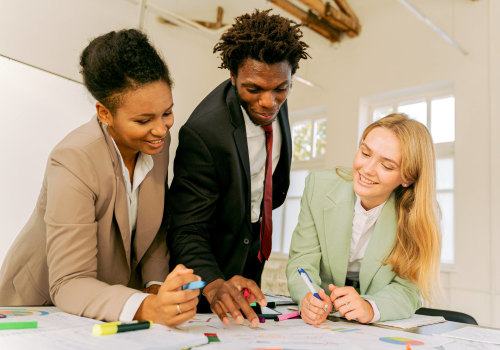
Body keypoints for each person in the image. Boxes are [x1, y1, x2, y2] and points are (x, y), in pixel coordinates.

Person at [0, 29, 200, 326]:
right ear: (104, 113)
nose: (161, 129)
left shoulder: (157, 143)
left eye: (167, 113)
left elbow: (153, 229)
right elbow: (69, 282)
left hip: (110, 303)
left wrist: (158, 289)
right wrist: (148, 306)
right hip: (41, 308)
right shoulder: (72, 159)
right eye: (143, 120)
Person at [167, 9, 309, 327]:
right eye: (254, 89)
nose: (269, 102)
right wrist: (214, 284)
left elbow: (270, 183)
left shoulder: (274, 97)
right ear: (233, 77)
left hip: (252, 263)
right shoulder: (204, 133)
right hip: (210, 275)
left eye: (281, 89)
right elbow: (186, 228)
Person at [286, 114, 441, 324]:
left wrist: (369, 307)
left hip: (374, 324)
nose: (367, 169)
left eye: (386, 166)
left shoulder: (417, 214)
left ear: (407, 177)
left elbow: (407, 290)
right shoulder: (318, 186)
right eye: (365, 153)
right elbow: (302, 260)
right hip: (323, 318)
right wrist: (309, 296)